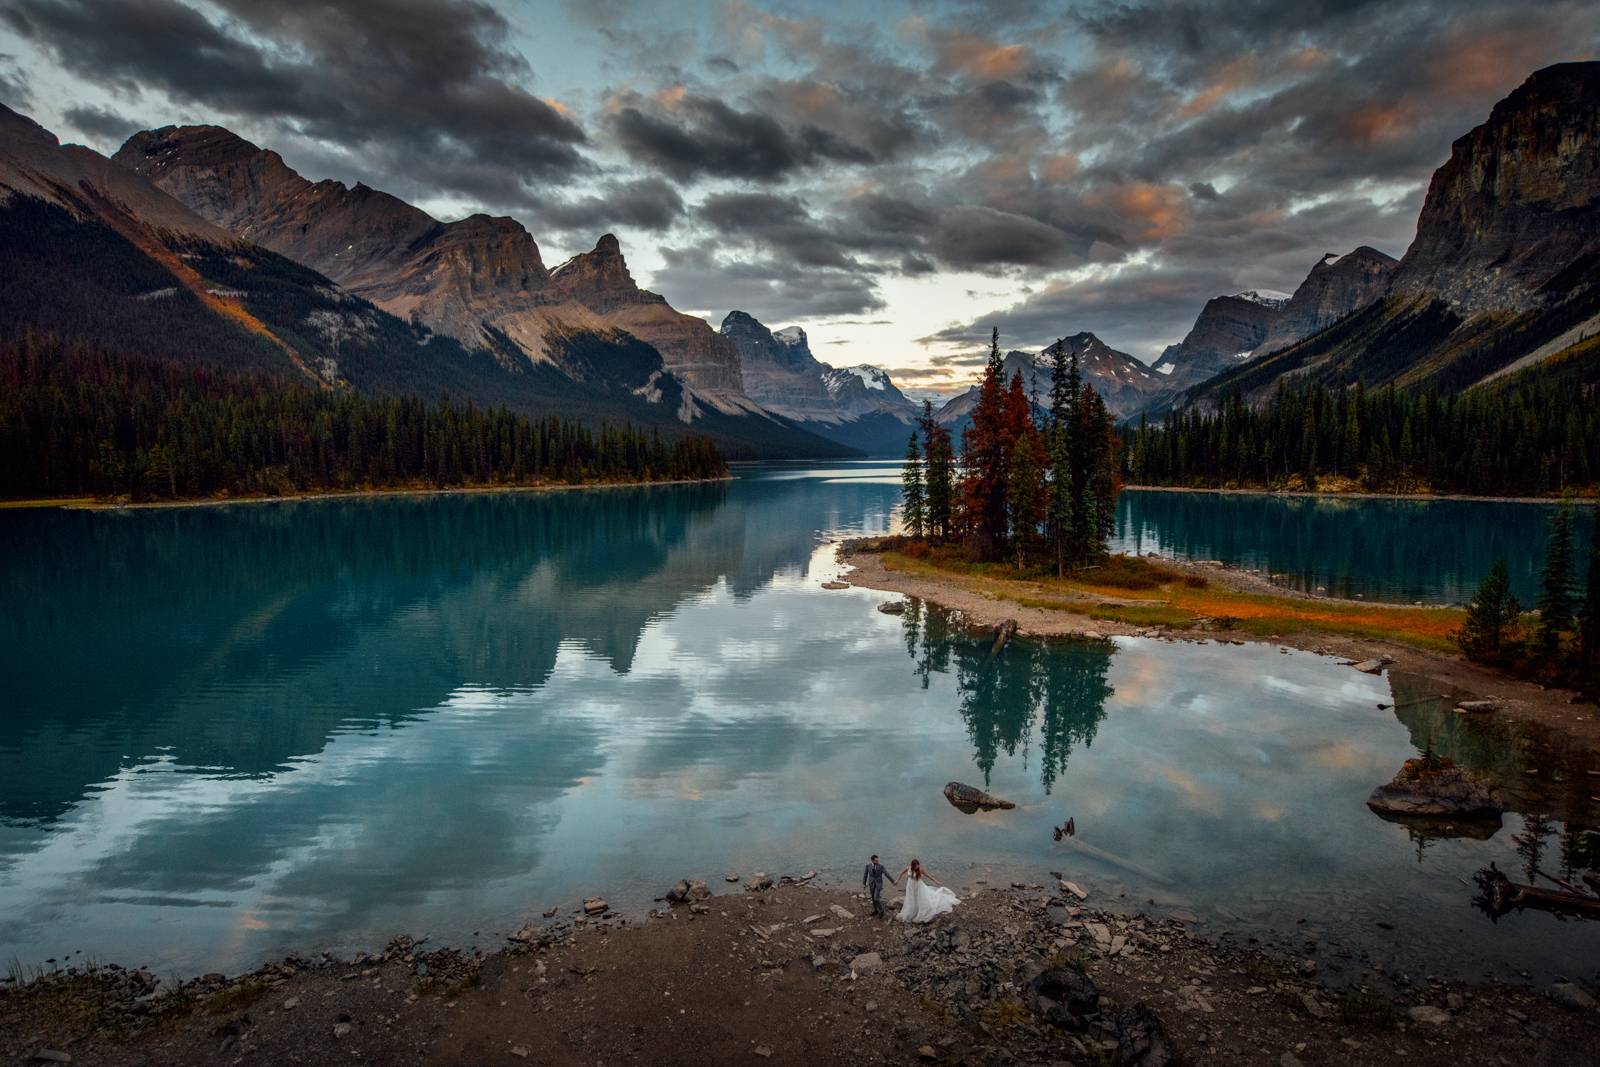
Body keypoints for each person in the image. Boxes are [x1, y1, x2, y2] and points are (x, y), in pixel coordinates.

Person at [896, 858, 959, 923]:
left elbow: (928, 876)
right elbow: (901, 873)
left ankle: (919, 911)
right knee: (912, 898)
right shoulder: (908, 868)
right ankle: (912, 910)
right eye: (916, 865)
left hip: (918, 887)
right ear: (913, 865)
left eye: (918, 864)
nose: (917, 866)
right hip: (910, 887)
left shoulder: (920, 870)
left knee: (920, 898)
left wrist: (935, 881)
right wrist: (897, 880)